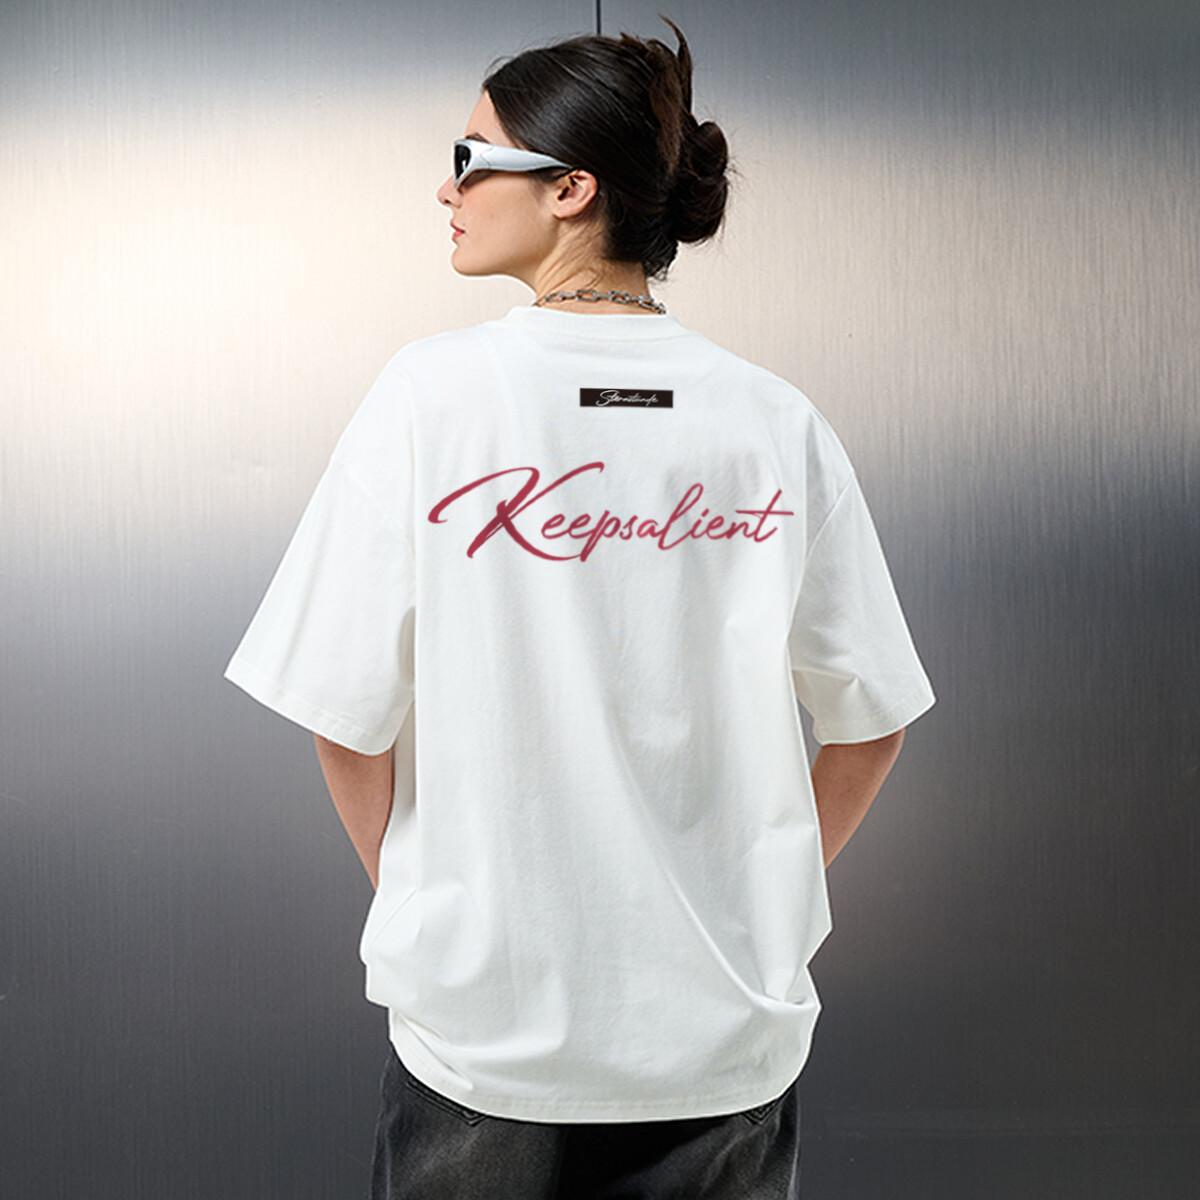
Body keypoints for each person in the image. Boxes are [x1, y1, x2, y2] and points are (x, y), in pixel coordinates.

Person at [222, 15, 936, 1199]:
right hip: (723, 1036)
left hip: (485, 1037)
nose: (445, 189)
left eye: (469, 158)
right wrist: (761, 907)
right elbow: (871, 723)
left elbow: (345, 719)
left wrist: (431, 908)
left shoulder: (432, 400)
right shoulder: (772, 421)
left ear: (570, 189)